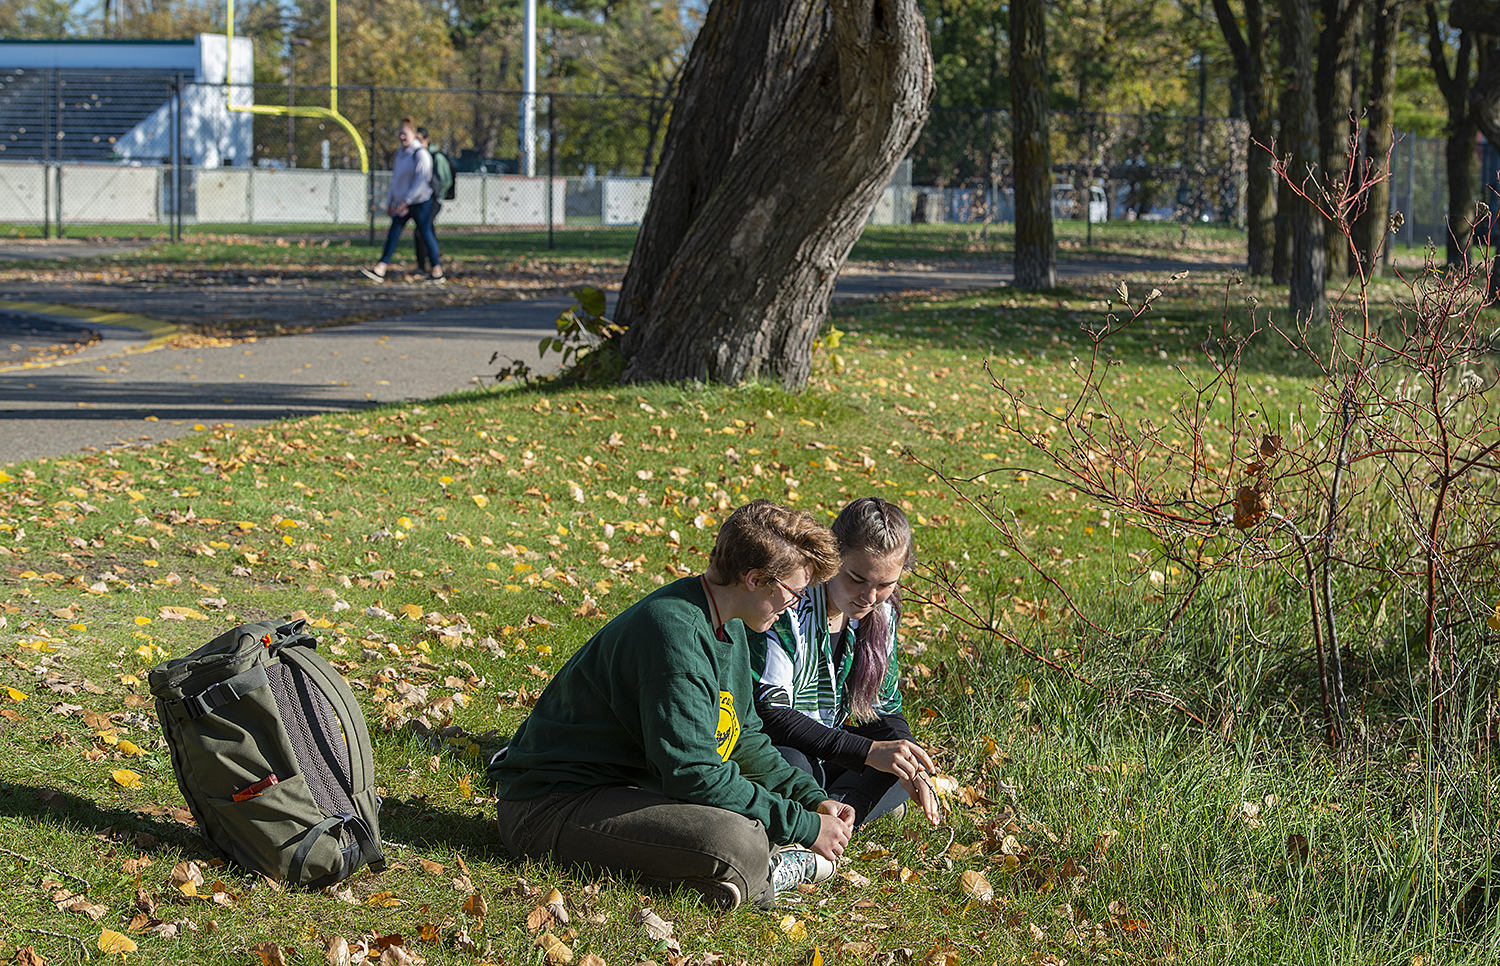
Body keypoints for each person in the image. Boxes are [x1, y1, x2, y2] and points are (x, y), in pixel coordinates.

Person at [488, 500, 855, 910]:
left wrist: (811, 798)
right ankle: (764, 871)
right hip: (548, 808)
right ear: (754, 579)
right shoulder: (674, 634)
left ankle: (750, 865)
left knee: (744, 825)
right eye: (794, 591)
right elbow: (692, 775)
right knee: (738, 841)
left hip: (625, 789)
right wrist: (804, 826)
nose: (795, 604)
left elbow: (745, 738)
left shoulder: (731, 623)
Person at [750, 497, 941, 829]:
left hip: (827, 749)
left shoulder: (883, 612)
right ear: (833, 557)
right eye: (857, 578)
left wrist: (910, 759)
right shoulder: (791, 605)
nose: (869, 597)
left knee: (897, 771)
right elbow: (771, 714)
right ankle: (835, 813)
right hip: (781, 748)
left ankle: (835, 819)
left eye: (885, 585)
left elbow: (884, 709)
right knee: (794, 764)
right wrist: (868, 752)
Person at [361, 117, 443, 283]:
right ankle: (381, 268)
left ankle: (437, 270)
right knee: (394, 233)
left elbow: (422, 180)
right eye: (400, 134)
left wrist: (407, 200)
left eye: (405, 134)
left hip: (420, 202)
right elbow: (395, 179)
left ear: (413, 134)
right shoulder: (400, 153)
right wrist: (391, 201)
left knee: (426, 233)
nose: (402, 137)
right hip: (403, 202)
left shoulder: (420, 154)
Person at [412, 127, 446, 280]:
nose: (417, 142)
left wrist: (437, 195)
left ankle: (435, 268)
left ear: (427, 139)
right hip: (419, 198)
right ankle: (424, 266)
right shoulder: (416, 154)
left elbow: (445, 179)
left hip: (431, 199)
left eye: (420, 139)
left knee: (424, 232)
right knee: (422, 232)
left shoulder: (434, 156)